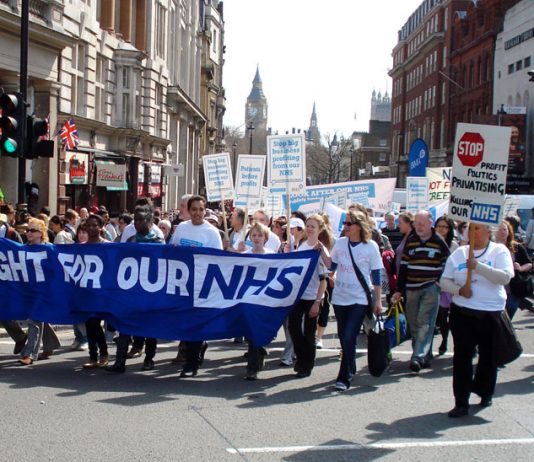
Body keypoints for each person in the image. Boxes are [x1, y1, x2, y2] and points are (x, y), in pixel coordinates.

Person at [440, 223, 514, 417]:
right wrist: (458, 290)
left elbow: (505, 277)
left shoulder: (499, 251)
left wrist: (478, 267)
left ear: (489, 231)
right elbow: (445, 280)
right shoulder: (459, 253)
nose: (472, 232)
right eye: (470, 229)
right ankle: (461, 402)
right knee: (462, 357)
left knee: (488, 356)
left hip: (490, 312)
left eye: (477, 229)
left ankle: (485, 392)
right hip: (463, 312)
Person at [319, 210, 383, 391]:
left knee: (349, 335)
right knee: (344, 337)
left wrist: (378, 301)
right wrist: (321, 251)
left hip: (359, 298)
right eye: (345, 223)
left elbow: (376, 275)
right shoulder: (340, 243)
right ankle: (351, 365)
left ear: (359, 226)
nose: (345, 227)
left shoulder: (370, 246)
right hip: (340, 297)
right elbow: (332, 265)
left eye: (349, 224)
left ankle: (344, 377)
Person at [106, 206, 164, 373]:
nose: (137, 223)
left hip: (151, 291)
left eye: (141, 220)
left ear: (150, 221)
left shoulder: (158, 242)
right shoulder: (130, 241)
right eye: (136, 220)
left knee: (150, 327)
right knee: (124, 325)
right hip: (130, 290)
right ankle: (120, 361)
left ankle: (149, 359)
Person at [170, 195, 223, 377]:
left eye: (201, 209)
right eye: (194, 209)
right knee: (186, 324)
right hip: (183, 285)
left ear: (205, 210)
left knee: (196, 324)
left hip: (202, 285)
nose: (198, 213)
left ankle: (191, 363)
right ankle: (197, 348)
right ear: (188, 211)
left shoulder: (211, 232)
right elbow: (172, 251)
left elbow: (218, 260)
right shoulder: (182, 229)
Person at [391, 211, 450, 373]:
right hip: (411, 287)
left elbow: (447, 261)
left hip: (430, 286)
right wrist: (399, 290)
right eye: (416, 223)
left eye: (422, 224)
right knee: (413, 322)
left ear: (430, 223)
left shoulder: (438, 241)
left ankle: (417, 356)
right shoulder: (411, 240)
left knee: (425, 321)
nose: (419, 227)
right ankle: (425, 352)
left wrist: (440, 279)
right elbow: (403, 266)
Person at [287, 214, 329, 378]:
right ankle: (301, 358)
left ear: (319, 229)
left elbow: (323, 279)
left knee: (309, 332)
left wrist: (317, 302)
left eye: (313, 226)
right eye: (308, 225)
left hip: (312, 295)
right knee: (294, 328)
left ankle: (307, 364)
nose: (310, 229)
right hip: (298, 295)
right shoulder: (302, 245)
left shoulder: (320, 249)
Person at [18, 218, 61, 365]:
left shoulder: (49, 249)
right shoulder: (23, 248)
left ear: (41, 233)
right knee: (38, 317)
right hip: (29, 289)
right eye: (27, 230)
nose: (29, 233)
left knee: (34, 319)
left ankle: (29, 353)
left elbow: (57, 270)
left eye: (33, 230)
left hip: (45, 290)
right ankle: (51, 344)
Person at [242, 222, 274, 380]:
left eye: (260, 235)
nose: (256, 238)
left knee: (258, 330)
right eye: (253, 235)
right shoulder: (245, 255)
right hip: (249, 299)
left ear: (265, 237)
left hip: (266, 299)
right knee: (250, 332)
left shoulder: (271, 255)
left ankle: (255, 361)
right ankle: (255, 359)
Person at [81, 214, 110, 369]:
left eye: (95, 225)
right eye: (89, 225)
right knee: (89, 322)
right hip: (86, 291)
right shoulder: (81, 247)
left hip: (102, 292)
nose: (92, 228)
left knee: (94, 322)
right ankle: (93, 356)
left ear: (101, 227)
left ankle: (103, 353)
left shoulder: (108, 246)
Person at [495, 220, 532, 320]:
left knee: (507, 318)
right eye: (499, 230)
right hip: (495, 290)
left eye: (505, 229)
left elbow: (529, 264)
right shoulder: (490, 247)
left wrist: (520, 268)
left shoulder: (517, 247)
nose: (502, 232)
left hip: (513, 289)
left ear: (509, 231)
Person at [434, 215, 459, 355]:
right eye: (439, 226)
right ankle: (444, 339)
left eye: (444, 227)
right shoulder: (431, 242)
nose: (441, 229)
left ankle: (452, 342)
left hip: (449, 286)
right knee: (441, 318)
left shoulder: (454, 246)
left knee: (451, 318)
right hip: (435, 284)